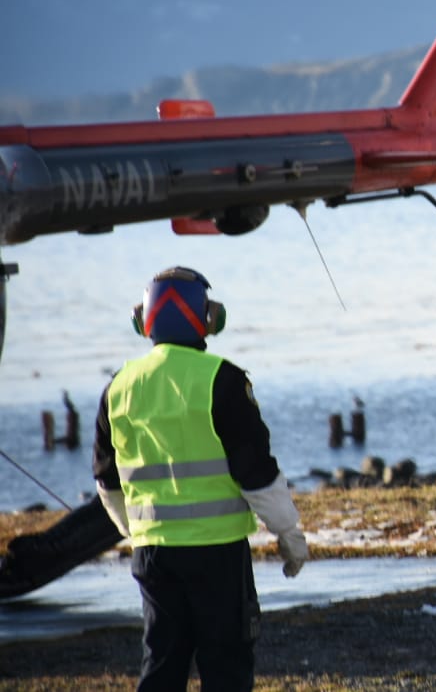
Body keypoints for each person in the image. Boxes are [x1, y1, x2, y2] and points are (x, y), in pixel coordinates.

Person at [93, 266, 308, 691]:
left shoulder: (119, 387)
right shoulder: (223, 381)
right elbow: (258, 476)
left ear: (144, 320)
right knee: (226, 665)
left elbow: (107, 482)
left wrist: (137, 532)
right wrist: (289, 535)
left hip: (154, 555)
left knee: (161, 664)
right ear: (206, 318)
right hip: (218, 554)